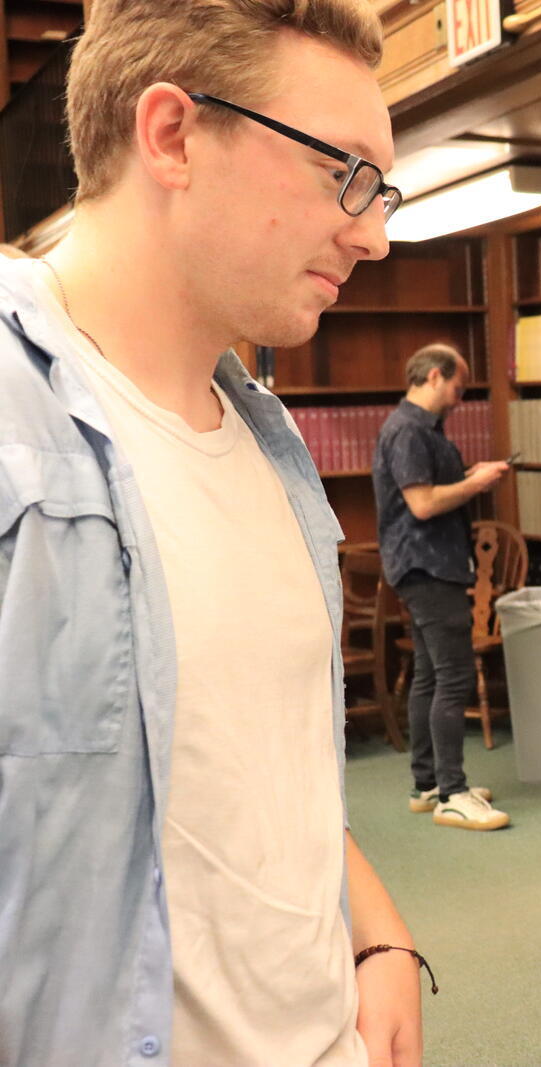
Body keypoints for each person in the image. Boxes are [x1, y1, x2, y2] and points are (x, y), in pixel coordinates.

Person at [0, 1, 428, 1063]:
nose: (372, 233)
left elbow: (240, 762)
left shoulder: (272, 446)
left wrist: (372, 930)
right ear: (173, 134)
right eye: (346, 172)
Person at [373, 342, 512, 831]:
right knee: (453, 678)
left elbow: (429, 490)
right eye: (459, 384)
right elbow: (424, 505)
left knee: (431, 676)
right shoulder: (409, 430)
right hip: (429, 568)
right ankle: (452, 794)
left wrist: (471, 475)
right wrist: (476, 485)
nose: (460, 396)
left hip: (426, 567)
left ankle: (428, 783)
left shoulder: (418, 429)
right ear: (435, 376)